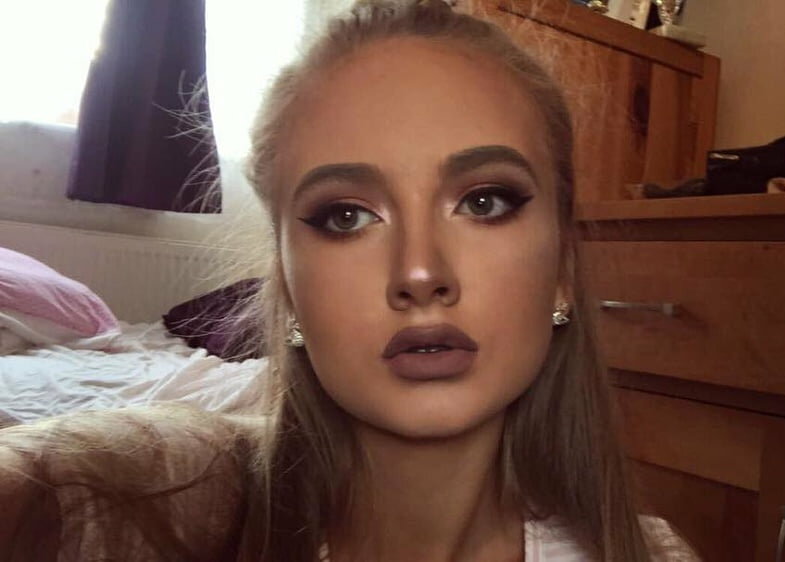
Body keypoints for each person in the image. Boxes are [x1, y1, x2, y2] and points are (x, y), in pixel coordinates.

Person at [0, 0, 700, 560]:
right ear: (287, 287)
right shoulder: (146, 506)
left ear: (563, 272)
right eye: (346, 216)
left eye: (485, 202)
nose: (420, 272)